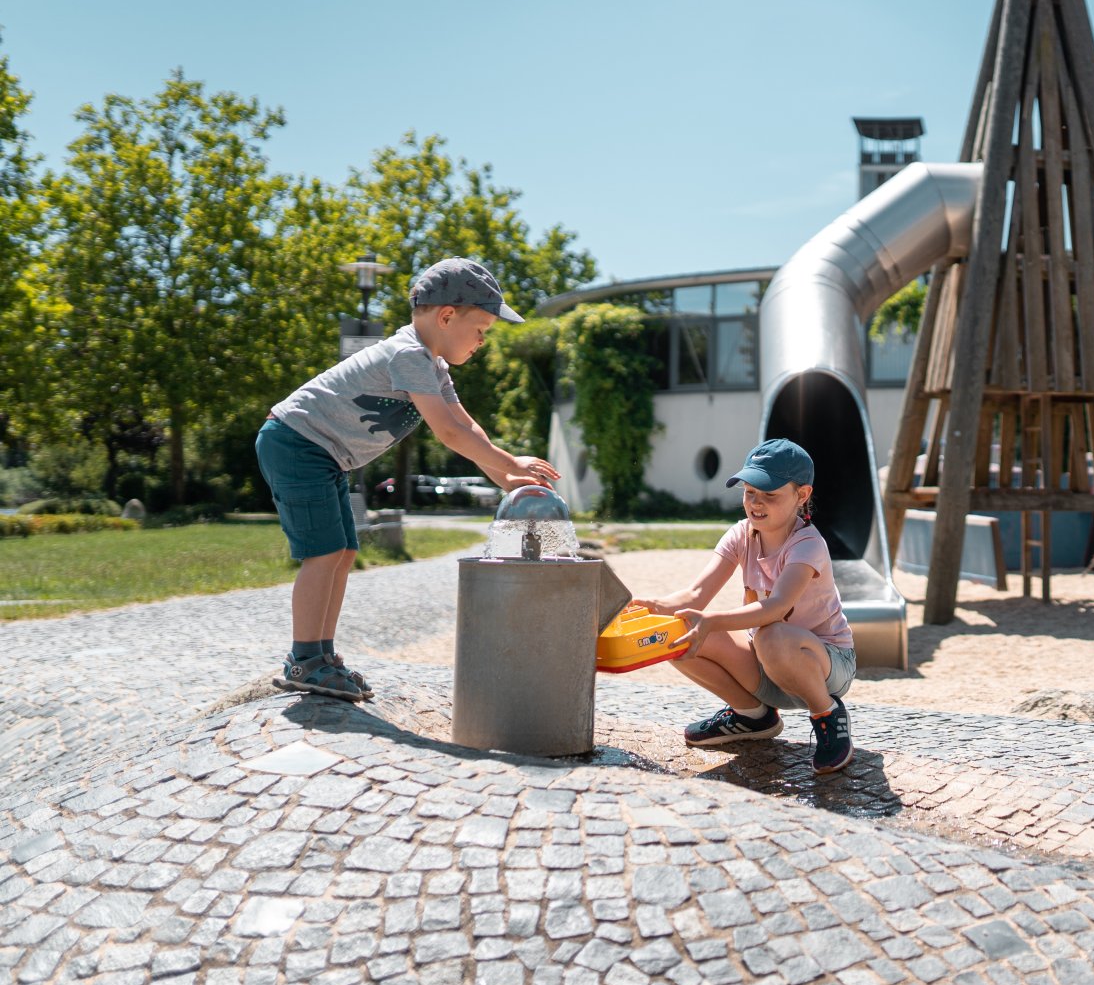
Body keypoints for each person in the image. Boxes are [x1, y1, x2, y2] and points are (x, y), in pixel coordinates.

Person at [256, 258, 558, 702]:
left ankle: (321, 656)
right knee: (323, 554)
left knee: (343, 551)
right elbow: (448, 432)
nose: (481, 342)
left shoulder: (432, 365)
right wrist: (510, 463)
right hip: (297, 443)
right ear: (447, 316)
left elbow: (468, 430)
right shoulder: (409, 354)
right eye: (481, 330)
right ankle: (304, 660)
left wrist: (507, 475)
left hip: (321, 453)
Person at [631, 438, 856, 775]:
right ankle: (753, 716)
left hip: (826, 666)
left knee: (771, 635)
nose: (756, 503)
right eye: (750, 492)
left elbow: (776, 608)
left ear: (802, 495)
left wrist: (711, 621)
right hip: (767, 661)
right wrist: (651, 608)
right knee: (674, 633)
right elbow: (694, 596)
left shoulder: (807, 544)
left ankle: (826, 714)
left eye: (770, 495)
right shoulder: (741, 535)